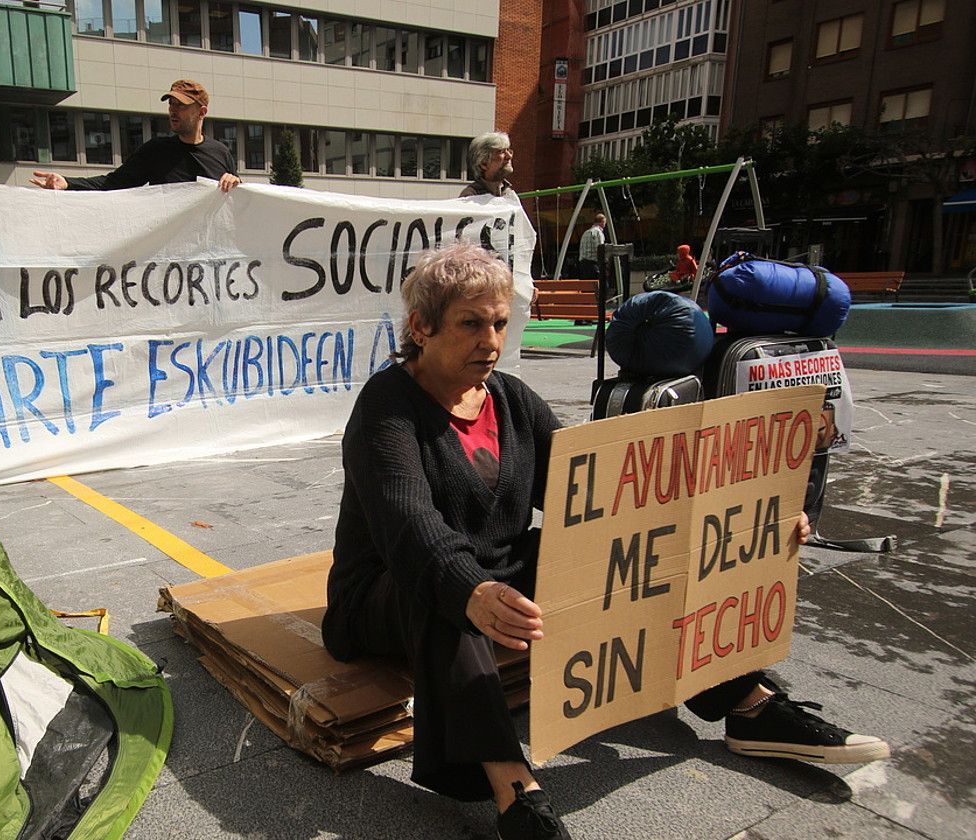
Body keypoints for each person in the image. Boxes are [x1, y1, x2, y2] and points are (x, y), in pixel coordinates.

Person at [321, 240, 889, 840]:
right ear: (421, 326)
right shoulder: (385, 410)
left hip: (498, 573)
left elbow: (598, 498)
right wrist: (473, 589)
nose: (490, 340)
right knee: (442, 593)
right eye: (470, 323)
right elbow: (413, 531)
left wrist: (751, 521)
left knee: (635, 550)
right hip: (386, 592)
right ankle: (514, 787)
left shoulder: (512, 398)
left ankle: (749, 703)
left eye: (499, 323)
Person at [30, 80, 240, 193]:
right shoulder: (156, 151)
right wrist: (67, 183)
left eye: (181, 106)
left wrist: (236, 182)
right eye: (171, 104)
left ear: (201, 112)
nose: (173, 111)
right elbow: (112, 183)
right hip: (169, 262)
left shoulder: (220, 153)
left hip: (208, 262)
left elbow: (239, 204)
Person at [460, 132, 514, 198]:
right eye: (501, 152)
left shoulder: (508, 193)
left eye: (508, 150)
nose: (509, 156)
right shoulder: (470, 196)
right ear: (484, 164)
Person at [577, 214, 606, 280]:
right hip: (593, 265)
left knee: (586, 288)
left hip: (583, 265)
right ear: (602, 222)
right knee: (599, 287)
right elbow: (600, 250)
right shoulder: (599, 233)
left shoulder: (585, 233)